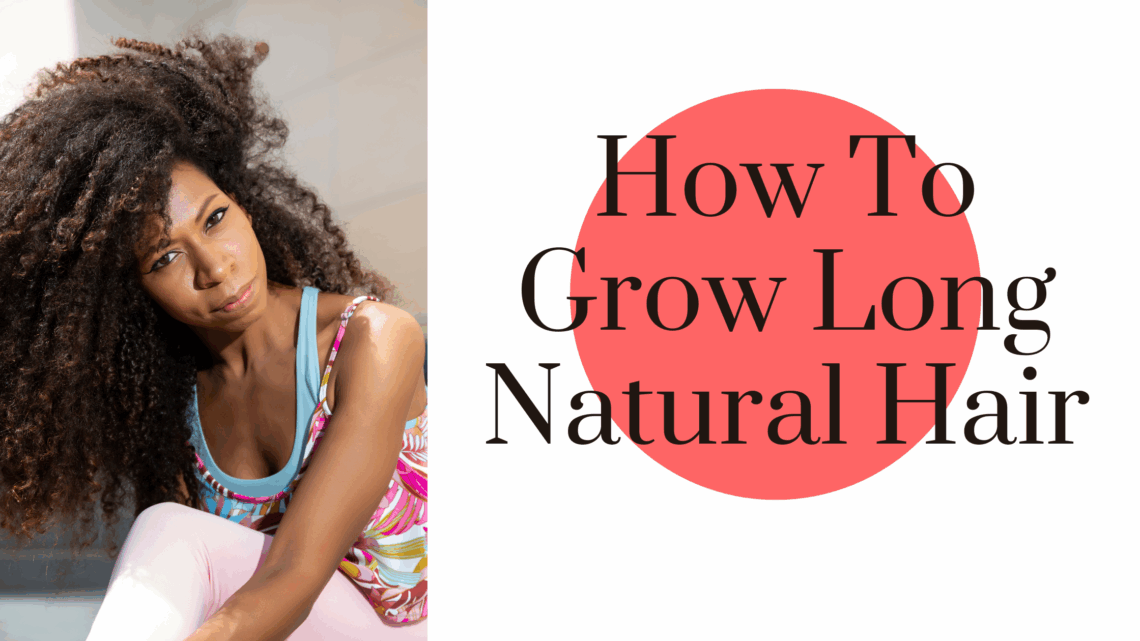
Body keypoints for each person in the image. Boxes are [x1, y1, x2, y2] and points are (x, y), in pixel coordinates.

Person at [0, 35, 427, 640]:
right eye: (164, 258)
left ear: (245, 205)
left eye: (216, 218)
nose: (215, 268)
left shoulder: (374, 339)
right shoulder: (175, 410)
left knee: (170, 530)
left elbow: (296, 573)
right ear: (133, 290)